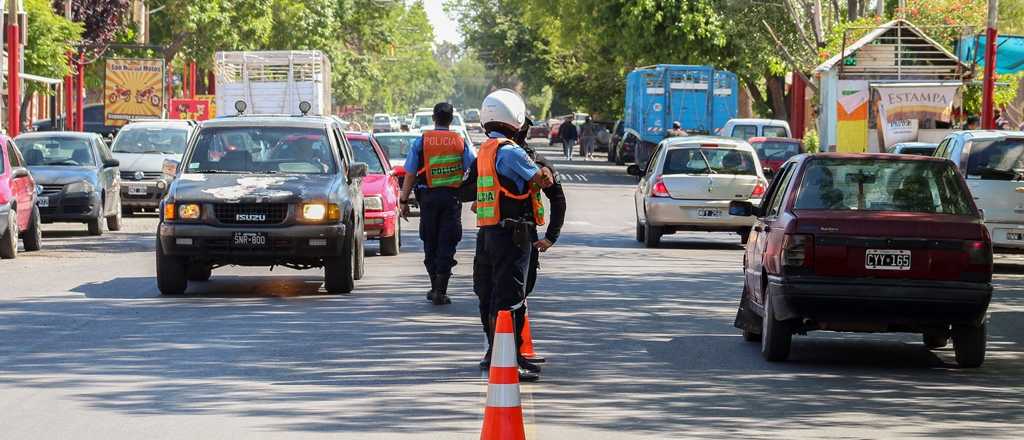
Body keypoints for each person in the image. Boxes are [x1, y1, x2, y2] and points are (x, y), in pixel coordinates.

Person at [460, 89, 553, 382]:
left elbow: (467, 189)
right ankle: (510, 361)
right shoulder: (511, 151)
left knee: (488, 295)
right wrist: (545, 171)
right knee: (511, 300)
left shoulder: (486, 149)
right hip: (513, 236)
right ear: (514, 116)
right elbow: (540, 179)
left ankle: (495, 355)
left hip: (488, 234)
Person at [399, 102, 476, 306]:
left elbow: (410, 173)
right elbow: (474, 169)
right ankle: (440, 290)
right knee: (447, 243)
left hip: (429, 200)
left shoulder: (422, 141)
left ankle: (435, 286)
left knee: (430, 241)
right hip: (451, 199)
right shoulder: (459, 141)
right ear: (451, 120)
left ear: (434, 118)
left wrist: (403, 200)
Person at [512, 118, 567, 364]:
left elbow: (558, 198)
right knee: (499, 297)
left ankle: (511, 353)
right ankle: (499, 352)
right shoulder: (491, 155)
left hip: (520, 238)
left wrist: (550, 237)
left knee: (516, 297)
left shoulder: (535, 163)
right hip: (498, 239)